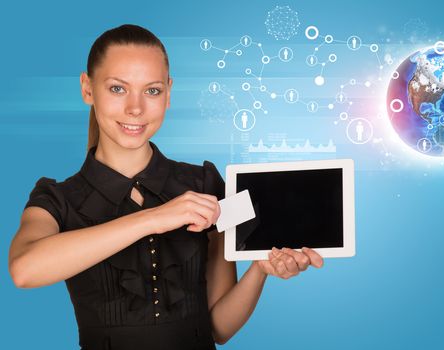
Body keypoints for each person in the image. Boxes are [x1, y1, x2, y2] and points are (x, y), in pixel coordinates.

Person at [8, 24, 323, 350]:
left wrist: (259, 271)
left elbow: (219, 328)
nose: (135, 108)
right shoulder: (57, 198)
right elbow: (24, 269)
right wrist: (153, 218)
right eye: (118, 89)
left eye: (152, 90)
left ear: (169, 93)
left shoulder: (205, 185)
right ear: (87, 88)